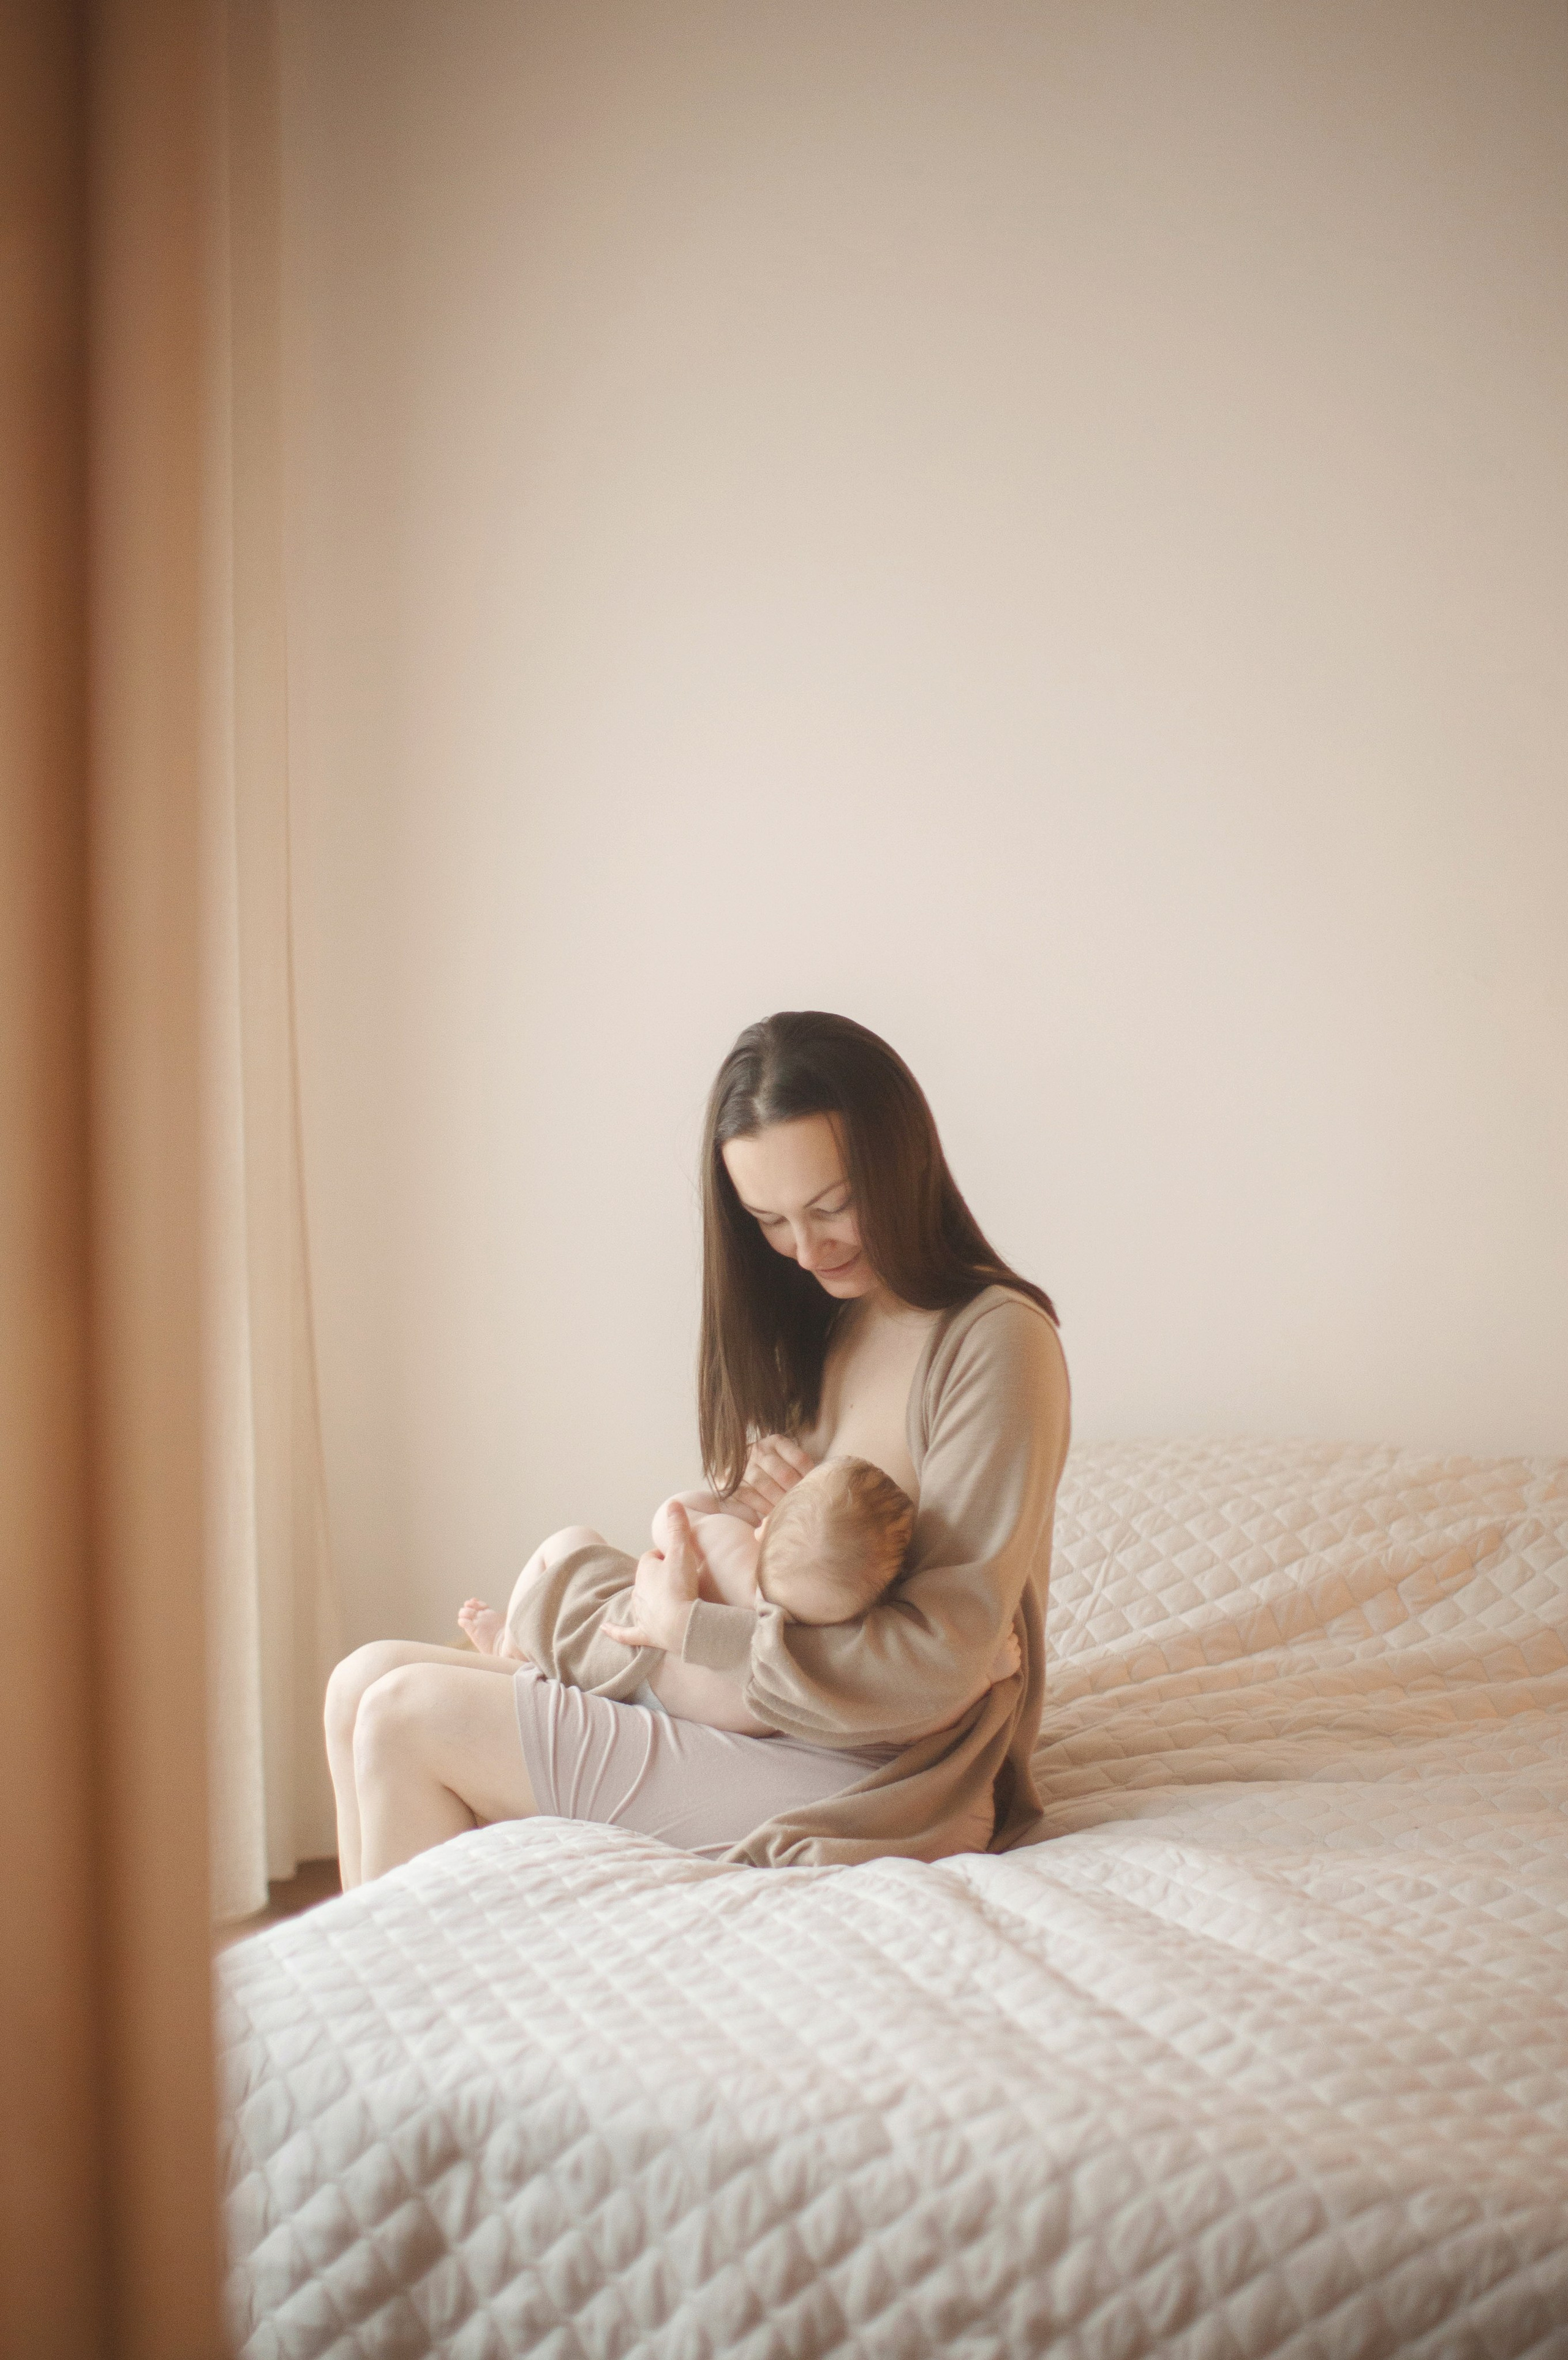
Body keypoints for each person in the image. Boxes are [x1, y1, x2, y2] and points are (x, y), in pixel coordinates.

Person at [324, 1009, 1071, 1883]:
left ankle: (396, 2018)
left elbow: (946, 1663)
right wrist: (740, 1527)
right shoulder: (831, 1321)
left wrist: (700, 1635)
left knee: (408, 1714)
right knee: (359, 1679)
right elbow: (760, 1576)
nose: (805, 1248)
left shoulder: (993, 1341)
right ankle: (381, 1993)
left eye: (832, 1207)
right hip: (757, 1711)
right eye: (770, 1219)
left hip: (876, 1768)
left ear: (903, 1166)